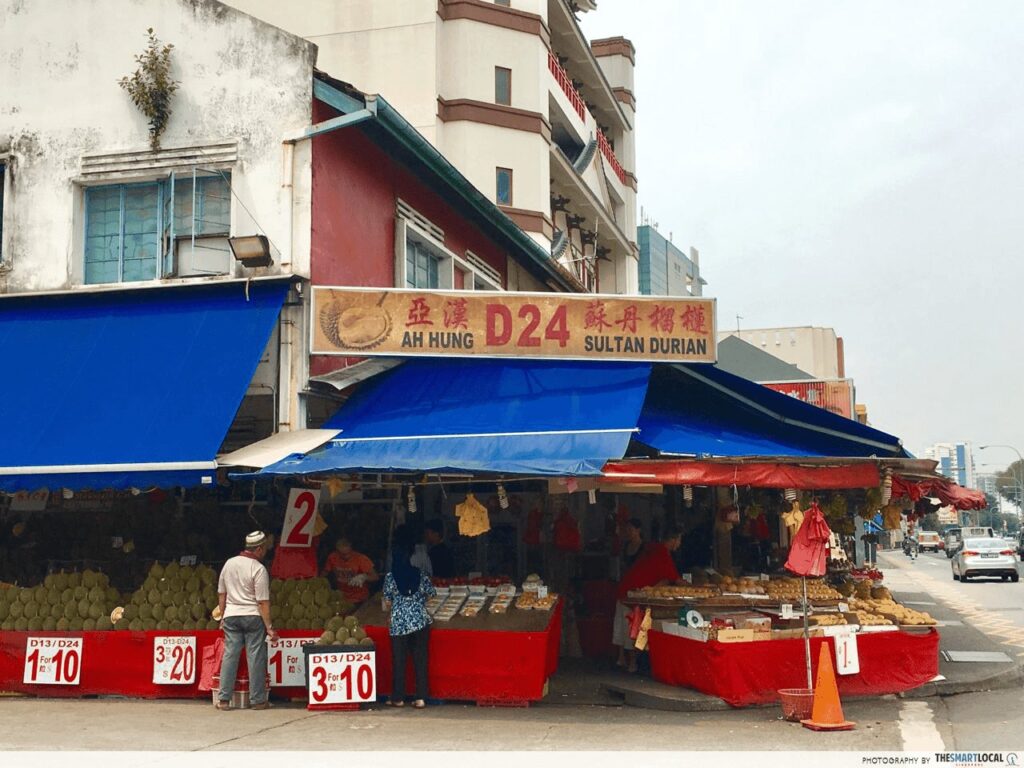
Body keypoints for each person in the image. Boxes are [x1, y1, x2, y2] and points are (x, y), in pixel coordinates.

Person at [216, 530, 279, 711]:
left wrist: (222, 616)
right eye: (264, 548)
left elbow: (222, 594)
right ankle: (258, 700)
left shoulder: (229, 563)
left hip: (231, 615)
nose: (265, 552)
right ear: (259, 549)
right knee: (255, 657)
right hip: (252, 616)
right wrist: (269, 627)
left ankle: (224, 700)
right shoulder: (258, 569)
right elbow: (262, 602)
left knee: (230, 655)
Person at [613, 527, 683, 673]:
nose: (679, 544)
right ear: (673, 539)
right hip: (634, 592)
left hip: (627, 588)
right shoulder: (661, 552)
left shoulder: (651, 548)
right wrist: (692, 585)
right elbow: (674, 578)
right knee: (632, 625)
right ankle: (632, 663)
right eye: (679, 540)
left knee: (623, 625)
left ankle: (621, 658)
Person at [383, 531, 436, 708]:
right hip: (420, 621)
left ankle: (398, 698)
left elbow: (388, 602)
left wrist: (398, 606)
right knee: (420, 660)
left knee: (399, 661)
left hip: (399, 624)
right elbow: (431, 594)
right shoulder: (420, 574)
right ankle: (421, 698)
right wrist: (418, 602)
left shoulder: (390, 577)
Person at [323, 536, 379, 605]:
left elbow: (375, 577)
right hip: (341, 597)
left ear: (351, 548)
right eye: (343, 554)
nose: (347, 556)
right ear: (337, 552)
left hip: (359, 598)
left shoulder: (361, 559)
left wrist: (364, 577)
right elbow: (325, 571)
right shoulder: (332, 557)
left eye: (348, 553)